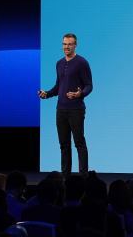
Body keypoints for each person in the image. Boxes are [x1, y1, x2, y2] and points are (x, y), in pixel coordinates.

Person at [39, 32, 93, 176]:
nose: (66, 47)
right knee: (64, 145)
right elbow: (59, 86)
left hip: (76, 110)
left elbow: (89, 85)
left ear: (75, 45)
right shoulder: (59, 63)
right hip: (61, 110)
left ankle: (83, 176)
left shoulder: (82, 63)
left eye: (69, 44)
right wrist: (47, 94)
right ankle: (65, 177)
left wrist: (80, 94)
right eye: (64, 44)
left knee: (79, 143)